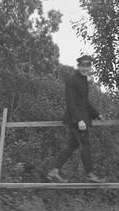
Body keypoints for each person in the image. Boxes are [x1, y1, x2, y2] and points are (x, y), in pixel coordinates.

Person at [47, 55, 106, 183]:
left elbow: (85, 102)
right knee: (86, 145)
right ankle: (90, 174)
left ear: (90, 67)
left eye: (87, 66)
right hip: (77, 120)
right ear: (78, 66)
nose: (85, 69)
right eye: (83, 66)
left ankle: (54, 171)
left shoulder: (84, 80)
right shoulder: (72, 80)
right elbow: (71, 102)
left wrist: (97, 114)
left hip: (81, 119)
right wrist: (79, 120)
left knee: (72, 145)